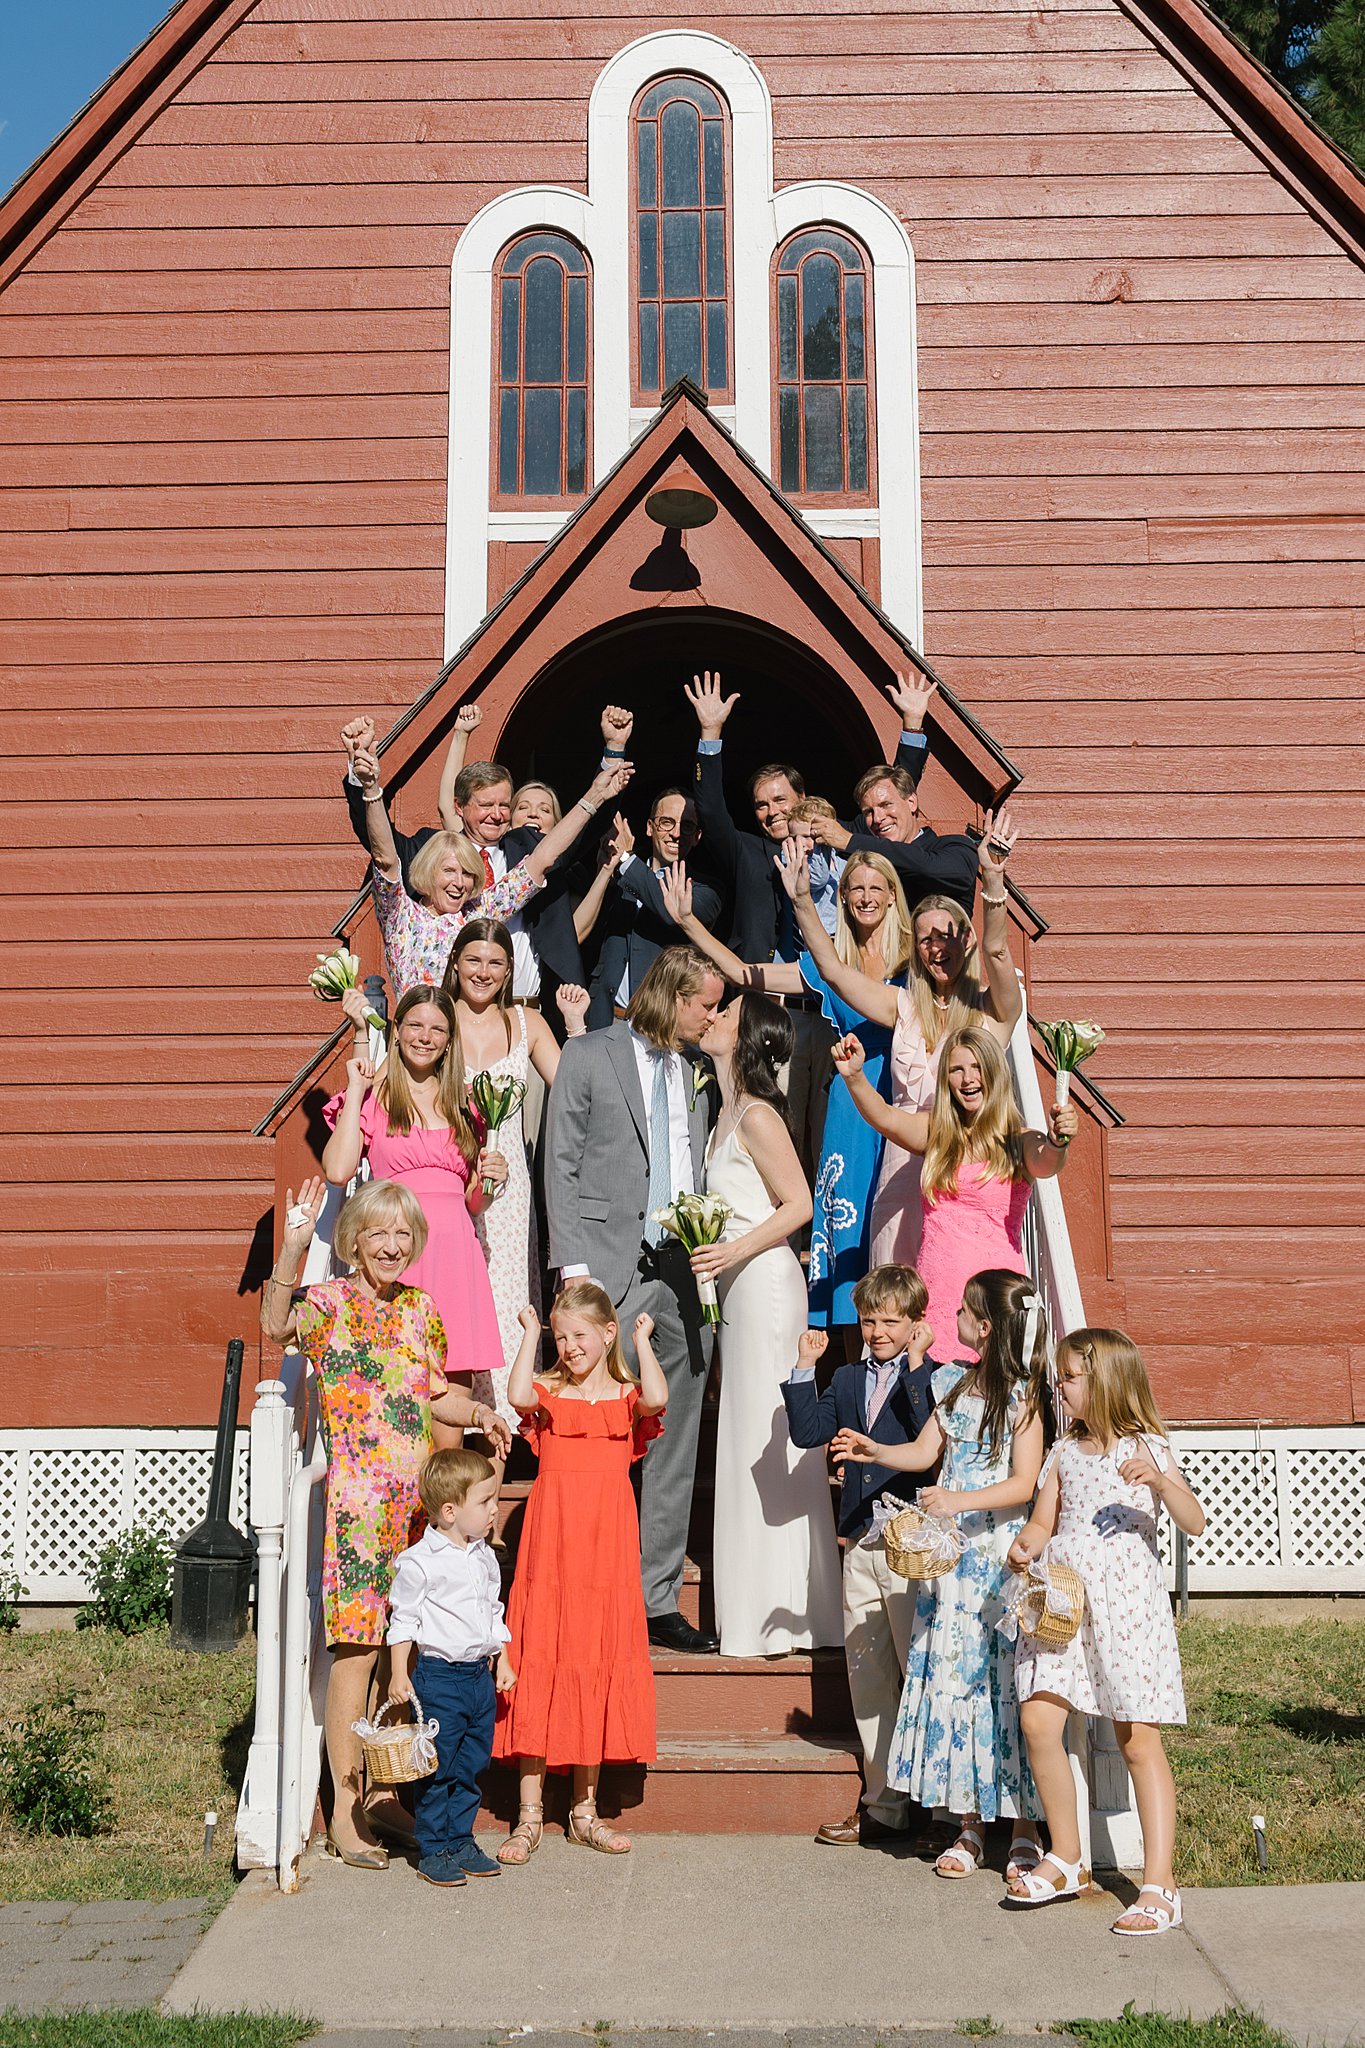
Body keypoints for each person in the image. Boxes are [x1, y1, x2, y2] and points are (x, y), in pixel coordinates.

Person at [260, 1175, 512, 1868]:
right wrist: (292, 1247)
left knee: (410, 1656)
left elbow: (436, 1395)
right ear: (354, 1240)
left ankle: (383, 1795)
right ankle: (344, 1809)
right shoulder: (331, 1303)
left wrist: (481, 1412)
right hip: (360, 1510)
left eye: (404, 1234)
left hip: (417, 1515)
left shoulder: (421, 1310)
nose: (393, 1246)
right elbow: (274, 1325)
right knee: (359, 1653)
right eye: (379, 1233)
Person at [834, 1269, 1047, 1881]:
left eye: (961, 1310)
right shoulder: (952, 1383)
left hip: (996, 1557)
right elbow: (927, 1454)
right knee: (956, 1683)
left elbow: (1024, 1483)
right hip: (949, 1568)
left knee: (999, 1682)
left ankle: (1026, 1826)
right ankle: (970, 1825)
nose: (950, 1317)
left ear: (984, 1326)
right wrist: (875, 1451)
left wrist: (957, 1500)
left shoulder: (1025, 1395)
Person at [544, 946, 724, 1655]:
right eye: (704, 1003)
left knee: (674, 1436)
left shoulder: (697, 1072)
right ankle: (588, 1592)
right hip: (605, 1266)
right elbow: (559, 1158)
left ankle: (655, 1602)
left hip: (679, 1271)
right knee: (595, 1434)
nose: (712, 1016)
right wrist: (574, 1270)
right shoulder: (591, 1054)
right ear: (673, 996)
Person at [663, 852, 911, 1335]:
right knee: (848, 1217)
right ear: (841, 897)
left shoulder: (912, 963)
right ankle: (847, 1356)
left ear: (893, 895)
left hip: (901, 1089)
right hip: (850, 1099)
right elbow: (741, 974)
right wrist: (689, 922)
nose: (865, 897)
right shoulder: (827, 962)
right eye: (855, 888)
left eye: (875, 887)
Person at [1007, 1327, 1206, 1932]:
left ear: (1106, 1382)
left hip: (1124, 1614)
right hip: (1064, 1605)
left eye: (1069, 1379)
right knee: (1038, 1719)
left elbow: (1194, 1522)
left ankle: (1161, 1885)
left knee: (1136, 1741)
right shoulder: (1063, 1453)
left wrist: (1162, 1481)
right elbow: (1045, 1521)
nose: (1058, 1388)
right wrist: (1025, 1547)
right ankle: (1067, 1856)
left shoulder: (1147, 1448)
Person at [777, 819, 1021, 1265]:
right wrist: (802, 901)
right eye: (926, 938)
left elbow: (999, 953)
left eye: (947, 935)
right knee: (893, 1301)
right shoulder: (903, 1005)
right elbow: (833, 971)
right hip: (901, 1171)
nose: (936, 946)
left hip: (968, 1174)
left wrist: (993, 879)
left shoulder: (993, 1012)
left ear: (966, 940)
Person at [690, 993, 841, 1658]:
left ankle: (797, 1614)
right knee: (746, 1434)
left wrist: (732, 1250)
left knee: (773, 1435)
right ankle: (753, 1613)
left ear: (745, 1035)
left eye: (723, 1012)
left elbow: (799, 1202)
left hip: (765, 1282)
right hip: (735, 1289)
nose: (711, 1016)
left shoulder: (756, 1114)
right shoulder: (720, 1111)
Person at [493, 1286, 668, 1861]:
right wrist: (528, 1335)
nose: (569, 1347)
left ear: (607, 1333)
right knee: (542, 1655)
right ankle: (529, 1814)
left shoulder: (624, 1397)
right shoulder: (550, 1395)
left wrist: (642, 1343)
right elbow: (517, 1392)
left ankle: (584, 1810)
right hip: (553, 1550)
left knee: (593, 1658)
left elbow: (657, 1396)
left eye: (579, 1336)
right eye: (560, 1336)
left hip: (605, 1553)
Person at [342, 701, 634, 1013]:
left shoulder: (480, 908)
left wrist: (596, 794)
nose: (460, 882)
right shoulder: (406, 907)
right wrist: (368, 784)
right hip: (426, 1036)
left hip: (516, 1015)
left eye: (469, 874)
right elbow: (383, 852)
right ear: (460, 807)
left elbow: (547, 855)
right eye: (450, 871)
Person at [781, 1265, 936, 1848]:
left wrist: (918, 1366)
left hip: (913, 1541)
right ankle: (883, 1805)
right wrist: (804, 1367)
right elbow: (807, 1431)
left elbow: (928, 1434)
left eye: (891, 1321)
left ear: (916, 1323)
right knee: (869, 1676)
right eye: (869, 1320)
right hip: (862, 1539)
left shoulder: (932, 1376)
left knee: (917, 1671)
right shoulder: (847, 1378)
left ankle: (937, 1811)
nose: (876, 1331)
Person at [831, 1026, 1077, 1360]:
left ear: (994, 1073)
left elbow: (1046, 1161)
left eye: (977, 1068)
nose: (967, 1079)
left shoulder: (1018, 1139)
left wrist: (1058, 1141)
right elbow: (887, 1118)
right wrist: (856, 1077)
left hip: (996, 1296)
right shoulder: (936, 1132)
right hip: (939, 1291)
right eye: (956, 1070)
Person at [322, 985, 505, 1433]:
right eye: (416, 1025)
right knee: (395, 1418)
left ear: (449, 1038)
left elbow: (472, 1201)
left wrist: (491, 1182)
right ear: (398, 1030)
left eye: (437, 1029)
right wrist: (357, 1086)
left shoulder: (466, 1102)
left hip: (454, 1257)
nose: (425, 1037)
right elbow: (338, 1168)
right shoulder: (377, 1096)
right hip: (396, 1252)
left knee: (447, 1433)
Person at [435, 920, 586, 1431]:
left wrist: (576, 1025)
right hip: (446, 1177)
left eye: (495, 963)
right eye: (473, 960)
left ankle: (498, 1423)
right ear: (455, 963)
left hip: (509, 1191)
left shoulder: (528, 1025)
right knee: (448, 1299)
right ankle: (448, 1418)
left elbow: (572, 1094)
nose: (483, 972)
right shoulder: (436, 1020)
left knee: (503, 1301)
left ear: (509, 971)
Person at [386, 1447, 515, 1887]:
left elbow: (492, 1611)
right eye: (485, 1502)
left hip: (478, 1677)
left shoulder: (483, 1556)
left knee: (471, 1764)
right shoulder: (420, 1562)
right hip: (439, 1679)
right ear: (449, 1510)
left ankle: (461, 1839)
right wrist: (399, 1673)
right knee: (438, 1768)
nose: (495, 1509)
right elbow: (403, 1620)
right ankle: (434, 1848)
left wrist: (504, 1658)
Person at [584, 789, 722, 1028]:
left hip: (666, 1026)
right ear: (650, 827)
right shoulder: (618, 876)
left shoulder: (706, 889)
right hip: (607, 1019)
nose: (676, 833)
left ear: (697, 836)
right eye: (666, 822)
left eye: (687, 826)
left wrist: (626, 859)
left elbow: (673, 913)